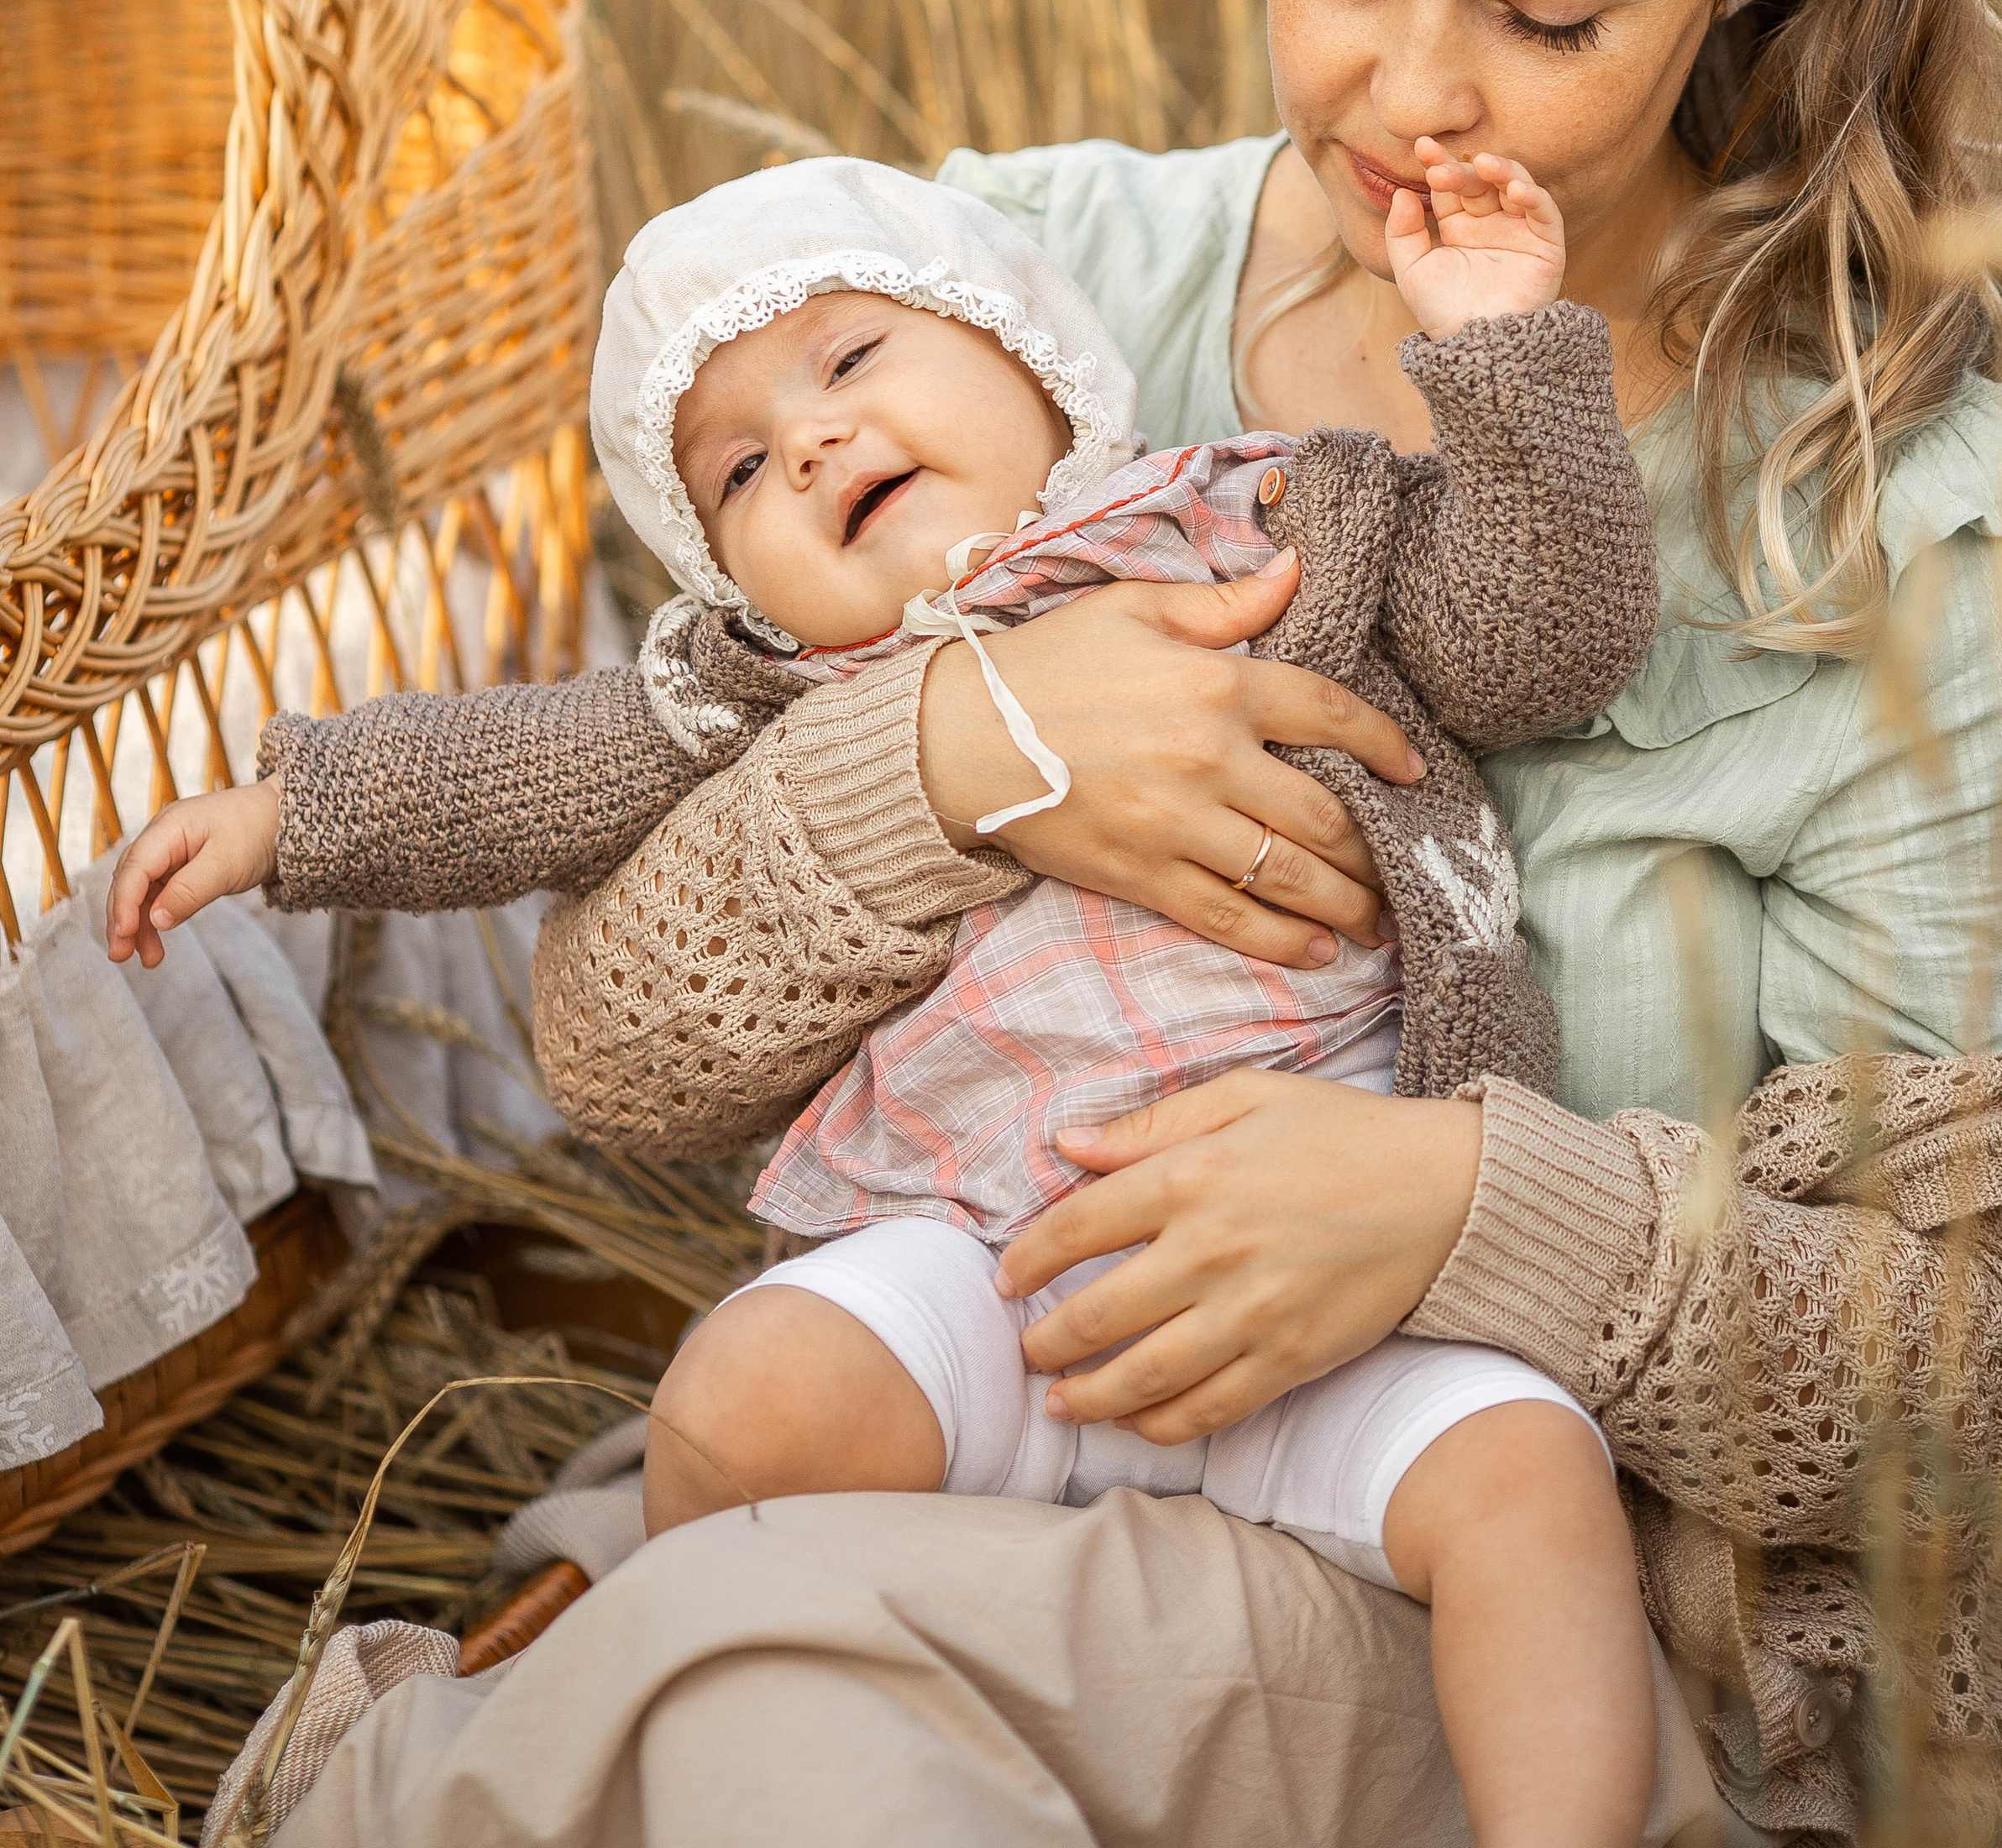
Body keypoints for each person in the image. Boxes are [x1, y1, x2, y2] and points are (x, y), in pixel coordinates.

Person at [156, 0, 2002, 1847]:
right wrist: (959, 753)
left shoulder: (1915, 533)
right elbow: (620, 1048)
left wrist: (1466, 1212)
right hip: (1024, 1403)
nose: (1405, 86)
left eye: (1546, 12)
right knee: (748, 1647)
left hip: (1520, 1577)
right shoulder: (1001, 305)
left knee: (744, 1706)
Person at [116, 134, 1666, 1848]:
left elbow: (1541, 637)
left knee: (1529, 1487)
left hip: (1340, 1259)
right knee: (746, 1397)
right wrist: (291, 813)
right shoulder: (770, 687)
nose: (812, 439)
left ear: (1031, 353)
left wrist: (1502, 351)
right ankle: (721, 1723)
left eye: (849, 358)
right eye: (737, 473)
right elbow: (517, 769)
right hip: (989, 1266)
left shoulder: (1274, 520)